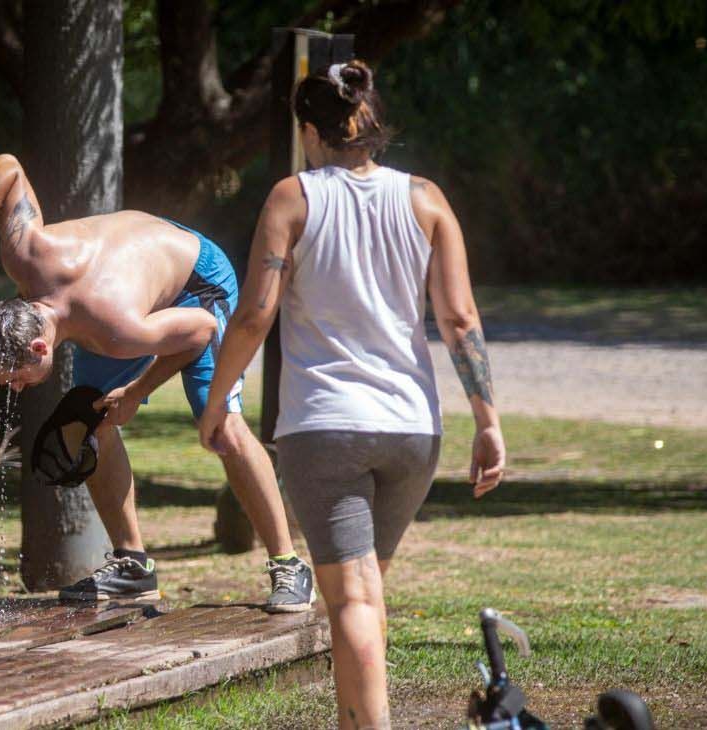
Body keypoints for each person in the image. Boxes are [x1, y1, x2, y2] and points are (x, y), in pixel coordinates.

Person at [198, 60, 506, 729]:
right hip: (412, 432)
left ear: (310, 130)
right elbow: (460, 320)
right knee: (365, 594)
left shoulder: (293, 198)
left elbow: (254, 314)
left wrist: (220, 400)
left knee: (353, 603)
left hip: (324, 429)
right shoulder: (425, 199)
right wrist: (488, 422)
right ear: (367, 122)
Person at [0, 154, 315, 612]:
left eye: (15, 380)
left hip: (199, 283)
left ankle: (289, 563)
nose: (16, 390)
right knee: (89, 419)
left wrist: (136, 392)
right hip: (130, 271)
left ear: (39, 349)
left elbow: (199, 332)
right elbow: (8, 167)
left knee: (222, 426)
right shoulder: (24, 255)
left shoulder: (120, 330)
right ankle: (133, 566)